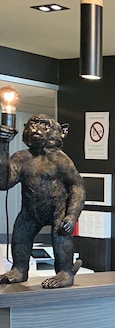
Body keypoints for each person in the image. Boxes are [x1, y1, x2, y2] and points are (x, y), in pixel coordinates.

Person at [0, 114, 85, 288]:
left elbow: (78, 187)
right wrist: (3, 146)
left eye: (44, 124)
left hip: (57, 209)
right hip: (30, 211)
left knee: (61, 235)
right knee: (20, 235)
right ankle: (19, 269)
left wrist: (71, 215)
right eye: (33, 123)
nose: (36, 128)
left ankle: (65, 272)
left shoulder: (60, 159)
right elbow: (4, 183)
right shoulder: (21, 158)